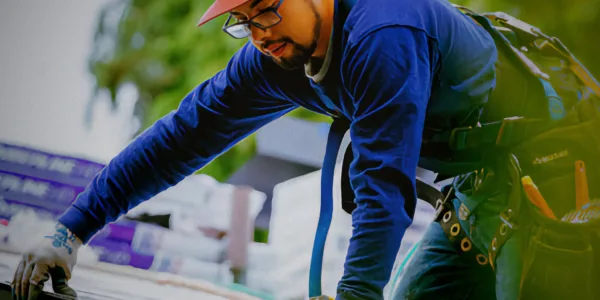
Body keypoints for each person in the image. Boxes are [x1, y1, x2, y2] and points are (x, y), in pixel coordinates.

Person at [11, 0, 599, 298]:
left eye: (267, 6)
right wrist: (72, 228)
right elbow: (182, 137)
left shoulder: (382, 33)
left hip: (564, 180)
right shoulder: (277, 55)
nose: (260, 31)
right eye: (243, 19)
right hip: (481, 193)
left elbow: (383, 191)